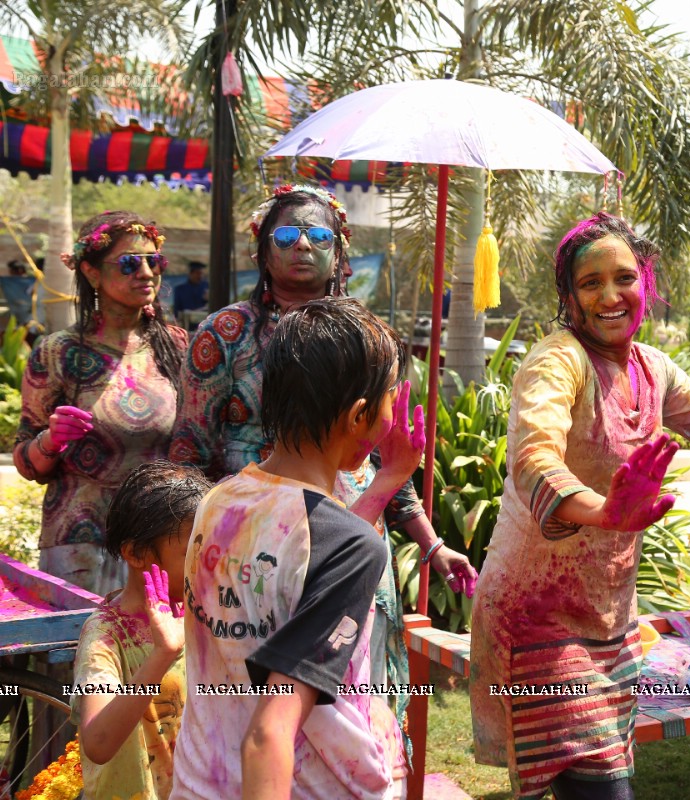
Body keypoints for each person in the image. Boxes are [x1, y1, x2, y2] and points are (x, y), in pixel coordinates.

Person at [470, 212, 690, 800]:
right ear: (568, 296)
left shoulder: (653, 369)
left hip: (609, 621)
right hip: (537, 617)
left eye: (624, 278)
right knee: (603, 790)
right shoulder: (556, 361)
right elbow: (534, 458)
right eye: (591, 283)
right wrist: (605, 512)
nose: (610, 296)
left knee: (600, 783)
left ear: (646, 284)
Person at [168, 184, 475, 709]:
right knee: (259, 696)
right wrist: (191, 554)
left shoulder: (365, 336)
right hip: (251, 541)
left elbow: (385, 452)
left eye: (318, 235)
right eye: (286, 234)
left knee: (356, 691)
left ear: (339, 250)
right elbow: (188, 454)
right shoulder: (223, 334)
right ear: (262, 248)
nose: (302, 245)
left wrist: (433, 544)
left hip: (356, 526)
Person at [171, 298, 421, 799]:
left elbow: (306, 559)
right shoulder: (346, 545)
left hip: (202, 782)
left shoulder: (220, 502)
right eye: (391, 396)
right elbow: (270, 732)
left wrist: (388, 480)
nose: (394, 410)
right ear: (358, 416)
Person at [14, 212, 187, 595]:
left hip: (157, 538)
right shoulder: (59, 352)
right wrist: (50, 440)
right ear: (92, 273)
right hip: (82, 544)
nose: (145, 272)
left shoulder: (175, 346)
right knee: (84, 653)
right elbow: (26, 463)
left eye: (153, 261)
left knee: (159, 653)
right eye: (129, 263)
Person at [73, 461, 212, 800]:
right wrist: (163, 654)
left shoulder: (199, 612)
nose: (206, 564)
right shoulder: (106, 633)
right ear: (135, 553)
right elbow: (98, 743)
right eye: (190, 552)